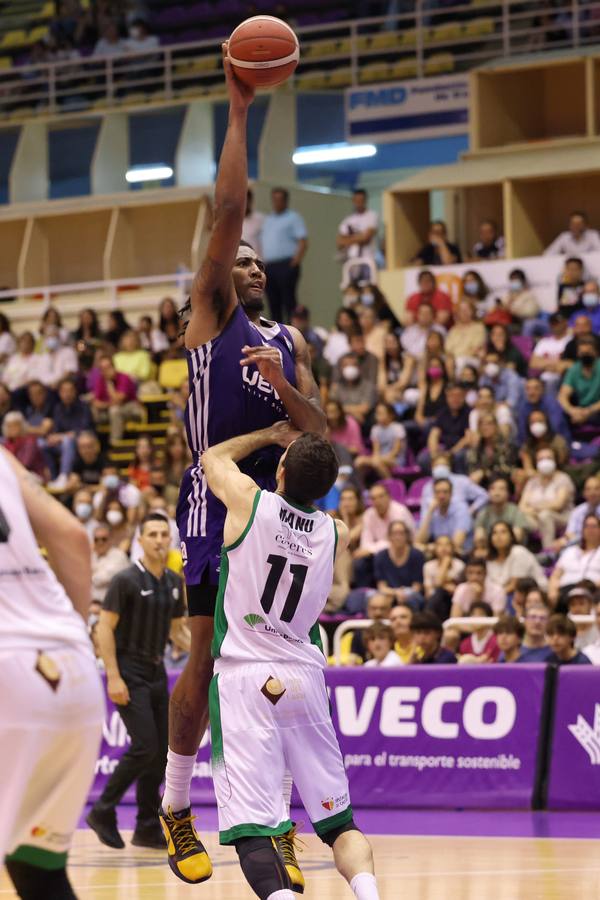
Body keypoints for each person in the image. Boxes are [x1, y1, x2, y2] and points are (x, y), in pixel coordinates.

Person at [165, 49, 326, 889]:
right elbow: (228, 209)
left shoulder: (291, 341)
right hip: (210, 499)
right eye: (241, 259)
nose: (251, 264)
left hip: (272, 511)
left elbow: (322, 431)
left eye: (262, 262)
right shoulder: (212, 315)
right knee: (202, 659)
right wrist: (238, 112)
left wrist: (284, 400)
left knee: (281, 674)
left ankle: (276, 822)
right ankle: (175, 806)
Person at [196, 423, 381, 900]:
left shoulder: (249, 502)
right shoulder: (336, 531)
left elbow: (212, 457)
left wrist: (269, 435)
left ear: (280, 469)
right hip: (305, 678)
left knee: (252, 828)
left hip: (245, 676)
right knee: (340, 823)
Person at [0, 446, 104, 900]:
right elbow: (71, 536)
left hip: (7, 666)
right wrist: (73, 636)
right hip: (71, 670)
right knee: (37, 873)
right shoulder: (3, 460)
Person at [87, 514, 190, 851]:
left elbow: (177, 632)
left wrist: (214, 653)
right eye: (153, 534)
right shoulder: (126, 580)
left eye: (164, 534)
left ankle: (146, 827)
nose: (160, 540)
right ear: (140, 541)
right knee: (145, 746)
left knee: (161, 752)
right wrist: (113, 676)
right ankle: (103, 810)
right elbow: (104, 628)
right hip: (128, 670)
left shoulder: (174, 582)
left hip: (157, 671)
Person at [262, 187, 308, 323]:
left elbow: (303, 242)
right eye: (274, 199)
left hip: (286, 265)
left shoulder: (293, 218)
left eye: (279, 199)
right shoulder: (268, 220)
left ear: (286, 201)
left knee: (289, 302)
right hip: (270, 266)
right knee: (273, 303)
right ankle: (276, 337)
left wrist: (294, 263)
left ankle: (292, 334)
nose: (276, 202)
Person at [519, 446, 575, 547]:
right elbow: (522, 506)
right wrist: (533, 512)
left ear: (555, 461)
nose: (545, 462)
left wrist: (535, 508)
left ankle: (548, 551)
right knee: (520, 518)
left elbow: (558, 505)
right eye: (541, 459)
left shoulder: (563, 479)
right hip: (535, 517)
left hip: (562, 517)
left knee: (545, 515)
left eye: (548, 458)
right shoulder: (532, 482)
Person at [547, 515, 600, 608]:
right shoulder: (569, 551)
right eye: (587, 526)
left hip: (593, 591)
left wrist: (591, 586)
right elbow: (555, 575)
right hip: (565, 592)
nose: (590, 529)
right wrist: (552, 591)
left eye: (594, 526)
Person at [374, 521, 424, 610]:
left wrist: (404, 593)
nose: (398, 537)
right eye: (394, 533)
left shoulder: (417, 555)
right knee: (374, 598)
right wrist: (396, 593)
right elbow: (382, 587)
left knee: (412, 597)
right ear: (389, 536)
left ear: (407, 536)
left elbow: (417, 587)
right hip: (390, 593)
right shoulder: (380, 556)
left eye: (401, 533)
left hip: (410, 594)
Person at [486, 521, 548, 594]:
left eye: (503, 532)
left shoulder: (518, 552)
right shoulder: (489, 560)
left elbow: (514, 586)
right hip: (504, 596)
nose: (498, 536)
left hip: (534, 593)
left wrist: (492, 598)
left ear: (511, 537)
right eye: (494, 533)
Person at [416, 477, 473, 555]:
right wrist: (430, 512)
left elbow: (457, 543)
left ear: (451, 493)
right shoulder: (431, 508)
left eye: (445, 492)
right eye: (437, 492)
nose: (441, 496)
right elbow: (420, 540)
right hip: (439, 552)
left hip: (460, 553)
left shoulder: (461, 509)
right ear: (433, 494)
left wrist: (431, 547)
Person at [424, 383, 471, 473]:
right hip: (444, 448)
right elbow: (434, 434)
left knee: (459, 457)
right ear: (447, 397)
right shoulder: (442, 413)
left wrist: (451, 453)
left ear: (463, 397)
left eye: (458, 396)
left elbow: (468, 438)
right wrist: (435, 453)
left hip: (460, 449)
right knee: (424, 459)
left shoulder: (469, 413)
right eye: (452, 396)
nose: (455, 399)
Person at [354, 402, 406, 483]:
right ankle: (361, 488)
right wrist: (376, 457)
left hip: (396, 460)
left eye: (381, 413)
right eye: (377, 413)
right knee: (359, 461)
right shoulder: (375, 429)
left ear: (391, 415)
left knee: (377, 462)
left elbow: (396, 451)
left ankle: (391, 484)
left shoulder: (397, 427)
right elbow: (376, 450)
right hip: (380, 458)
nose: (378, 416)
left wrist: (380, 458)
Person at [337, 188, 379, 281]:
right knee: (352, 289)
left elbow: (366, 238)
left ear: (365, 200)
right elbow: (340, 242)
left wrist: (349, 238)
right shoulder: (348, 220)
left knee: (368, 288)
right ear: (353, 201)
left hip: (368, 259)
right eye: (357, 200)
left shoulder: (372, 216)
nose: (359, 203)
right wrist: (359, 236)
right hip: (352, 260)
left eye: (361, 200)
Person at [474, 476, 530, 545]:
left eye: (501, 489)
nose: (497, 492)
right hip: (491, 550)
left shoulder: (515, 511)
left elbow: (517, 537)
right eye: (492, 488)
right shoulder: (484, 512)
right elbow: (478, 537)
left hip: (513, 549)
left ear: (508, 493)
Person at [466, 413, 517, 487]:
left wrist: (484, 472)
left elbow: (507, 470)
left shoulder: (507, 446)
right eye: (482, 424)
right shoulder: (476, 449)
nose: (485, 427)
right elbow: (473, 470)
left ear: (496, 426)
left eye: (489, 424)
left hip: (504, 484)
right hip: (482, 486)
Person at [559, 335, 600, 427]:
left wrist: (589, 411)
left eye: (588, 352)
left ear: (596, 352)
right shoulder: (574, 369)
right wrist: (571, 410)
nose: (585, 355)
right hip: (580, 410)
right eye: (582, 352)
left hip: (596, 409)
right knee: (559, 415)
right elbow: (562, 396)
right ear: (578, 354)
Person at [423, 534, 465, 620]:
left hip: (454, 600)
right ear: (435, 549)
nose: (444, 548)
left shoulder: (460, 565)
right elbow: (428, 592)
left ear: (453, 548)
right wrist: (445, 565)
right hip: (436, 601)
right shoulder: (428, 566)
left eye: (447, 544)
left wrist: (445, 563)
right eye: (440, 545)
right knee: (439, 593)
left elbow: (460, 590)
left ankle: (428, 619)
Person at [529, 312, 573, 389]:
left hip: (564, 379)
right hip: (542, 378)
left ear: (565, 323)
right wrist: (556, 363)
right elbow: (533, 363)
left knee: (551, 381)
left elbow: (571, 364)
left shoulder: (571, 341)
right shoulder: (544, 342)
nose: (554, 325)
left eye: (557, 322)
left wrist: (544, 362)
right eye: (552, 323)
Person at [91, 523, 130, 604]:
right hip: (90, 605)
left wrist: (89, 573)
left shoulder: (119, 555)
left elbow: (99, 579)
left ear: (111, 539)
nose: (100, 542)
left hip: (111, 606)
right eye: (96, 539)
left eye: (104, 539)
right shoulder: (91, 555)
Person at [445, 299, 486, 373]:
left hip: (471, 358)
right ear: (458, 313)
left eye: (467, 310)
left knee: (460, 361)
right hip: (454, 360)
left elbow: (476, 347)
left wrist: (457, 356)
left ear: (472, 312)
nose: (464, 313)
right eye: (461, 310)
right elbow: (448, 348)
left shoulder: (479, 327)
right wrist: (453, 358)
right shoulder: (453, 329)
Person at [241, 188, 265, 257]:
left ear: (250, 201)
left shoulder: (260, 219)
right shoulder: (233, 221)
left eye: (246, 200)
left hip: (257, 262)